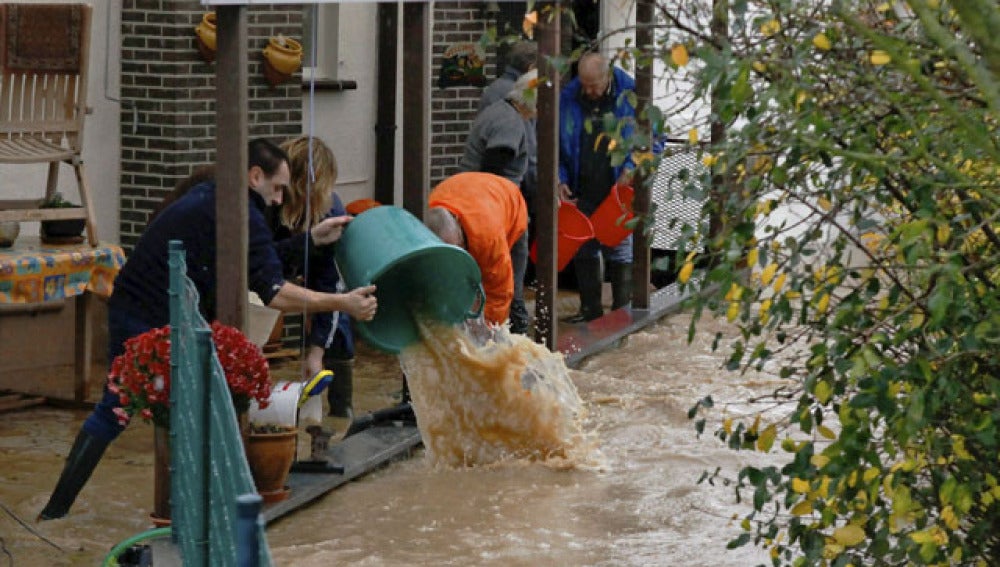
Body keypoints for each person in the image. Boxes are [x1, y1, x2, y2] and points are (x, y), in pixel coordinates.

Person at [39, 138, 377, 521]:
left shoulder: (216, 195)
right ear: (255, 176)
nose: (280, 199)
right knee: (120, 408)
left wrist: (310, 240)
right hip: (148, 315)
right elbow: (274, 292)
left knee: (180, 406)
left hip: (149, 306)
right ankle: (72, 511)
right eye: (278, 188)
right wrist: (343, 303)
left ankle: (74, 511)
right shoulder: (242, 213)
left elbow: (254, 260)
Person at [272, 135, 355, 418]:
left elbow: (331, 284)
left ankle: (341, 410)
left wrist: (316, 351)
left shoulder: (330, 210)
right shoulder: (267, 204)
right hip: (273, 268)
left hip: (313, 266)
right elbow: (259, 265)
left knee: (338, 318)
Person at [558, 52, 637, 322]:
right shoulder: (569, 96)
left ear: (607, 76)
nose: (588, 91)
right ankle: (590, 309)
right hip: (583, 182)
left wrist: (632, 165)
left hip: (617, 185)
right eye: (584, 84)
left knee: (619, 244)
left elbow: (653, 139)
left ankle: (621, 311)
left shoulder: (631, 94)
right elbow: (557, 143)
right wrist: (560, 177)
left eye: (594, 85)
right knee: (584, 245)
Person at [424, 172, 528, 333]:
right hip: (472, 192)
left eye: (457, 248)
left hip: (510, 202)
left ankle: (521, 333)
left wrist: (488, 337)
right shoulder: (425, 220)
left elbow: (499, 292)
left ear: (458, 222)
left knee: (513, 294)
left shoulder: (488, 237)